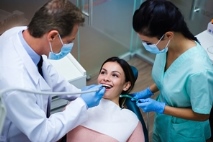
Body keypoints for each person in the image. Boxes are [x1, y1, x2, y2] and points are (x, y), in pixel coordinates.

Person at [0, 0, 105, 141]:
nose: (70, 46)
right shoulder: (18, 84)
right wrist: (82, 104)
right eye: (69, 41)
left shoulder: (20, 34)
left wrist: (79, 94)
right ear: (52, 36)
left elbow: (47, 72)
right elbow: (42, 134)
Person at [132, 0, 213, 142]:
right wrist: (149, 90)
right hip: (164, 122)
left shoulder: (199, 71)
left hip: (184, 132)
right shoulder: (166, 47)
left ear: (168, 35)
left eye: (148, 42)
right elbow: (169, 78)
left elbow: (202, 114)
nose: (145, 46)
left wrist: (162, 108)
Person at [63, 57, 145, 142]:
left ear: (126, 85)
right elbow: (53, 133)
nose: (106, 78)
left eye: (115, 75)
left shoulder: (131, 121)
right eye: (103, 72)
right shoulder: (79, 104)